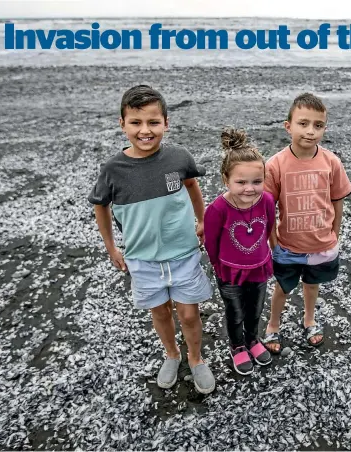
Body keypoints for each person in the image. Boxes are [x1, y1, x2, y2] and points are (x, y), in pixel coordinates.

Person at [88, 85, 215, 394]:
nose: (145, 131)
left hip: (183, 251)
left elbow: (192, 186)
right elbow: (100, 207)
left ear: (166, 123)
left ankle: (196, 358)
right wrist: (111, 247)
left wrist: (202, 220)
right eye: (136, 123)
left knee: (188, 312)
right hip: (142, 258)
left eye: (153, 122)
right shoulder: (113, 170)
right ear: (122, 124)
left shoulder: (178, 157)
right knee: (159, 311)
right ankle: (171, 354)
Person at [263, 93, 351, 354]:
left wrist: (335, 234)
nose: (310, 131)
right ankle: (272, 325)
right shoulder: (276, 165)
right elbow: (269, 208)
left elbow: (337, 200)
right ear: (288, 126)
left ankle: (309, 319)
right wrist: (274, 242)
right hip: (288, 245)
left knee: (312, 285)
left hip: (321, 244)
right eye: (303, 124)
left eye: (318, 125)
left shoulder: (331, 162)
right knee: (282, 287)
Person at [204, 128, 275, 375]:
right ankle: (237, 346)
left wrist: (260, 255)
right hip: (229, 272)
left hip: (259, 268)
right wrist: (219, 268)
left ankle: (253, 340)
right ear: (226, 180)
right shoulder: (217, 209)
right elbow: (211, 244)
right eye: (241, 182)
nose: (249, 188)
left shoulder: (266, 200)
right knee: (235, 312)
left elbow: (268, 227)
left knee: (255, 308)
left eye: (257, 181)